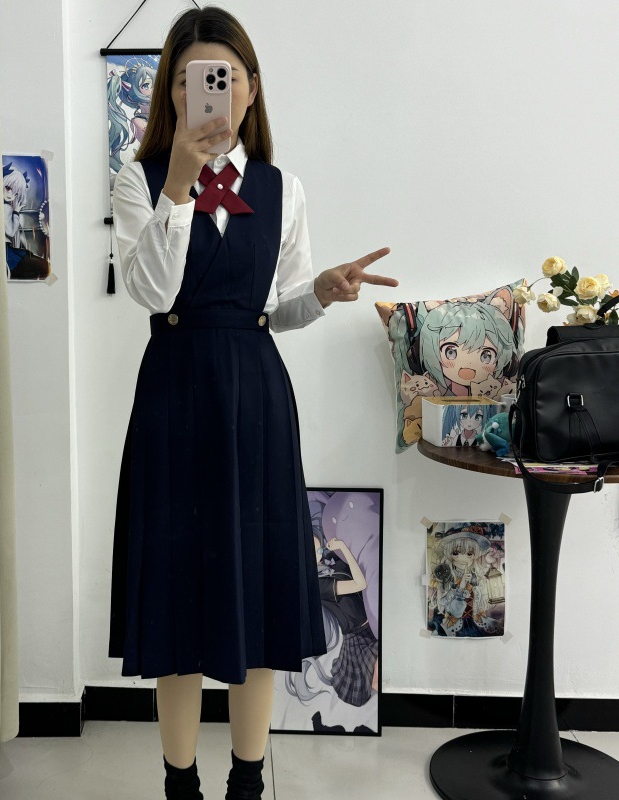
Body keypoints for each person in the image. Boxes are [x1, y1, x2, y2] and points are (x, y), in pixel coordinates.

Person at [107, 7, 397, 799]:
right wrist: (177, 186)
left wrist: (322, 292)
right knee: (177, 595)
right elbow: (151, 291)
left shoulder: (281, 188)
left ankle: (246, 784)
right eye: (188, 79)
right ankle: (179, 785)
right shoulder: (137, 181)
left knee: (258, 593)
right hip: (173, 396)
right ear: (170, 93)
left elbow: (280, 307)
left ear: (251, 88)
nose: (206, 91)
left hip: (257, 400)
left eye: (222, 77)